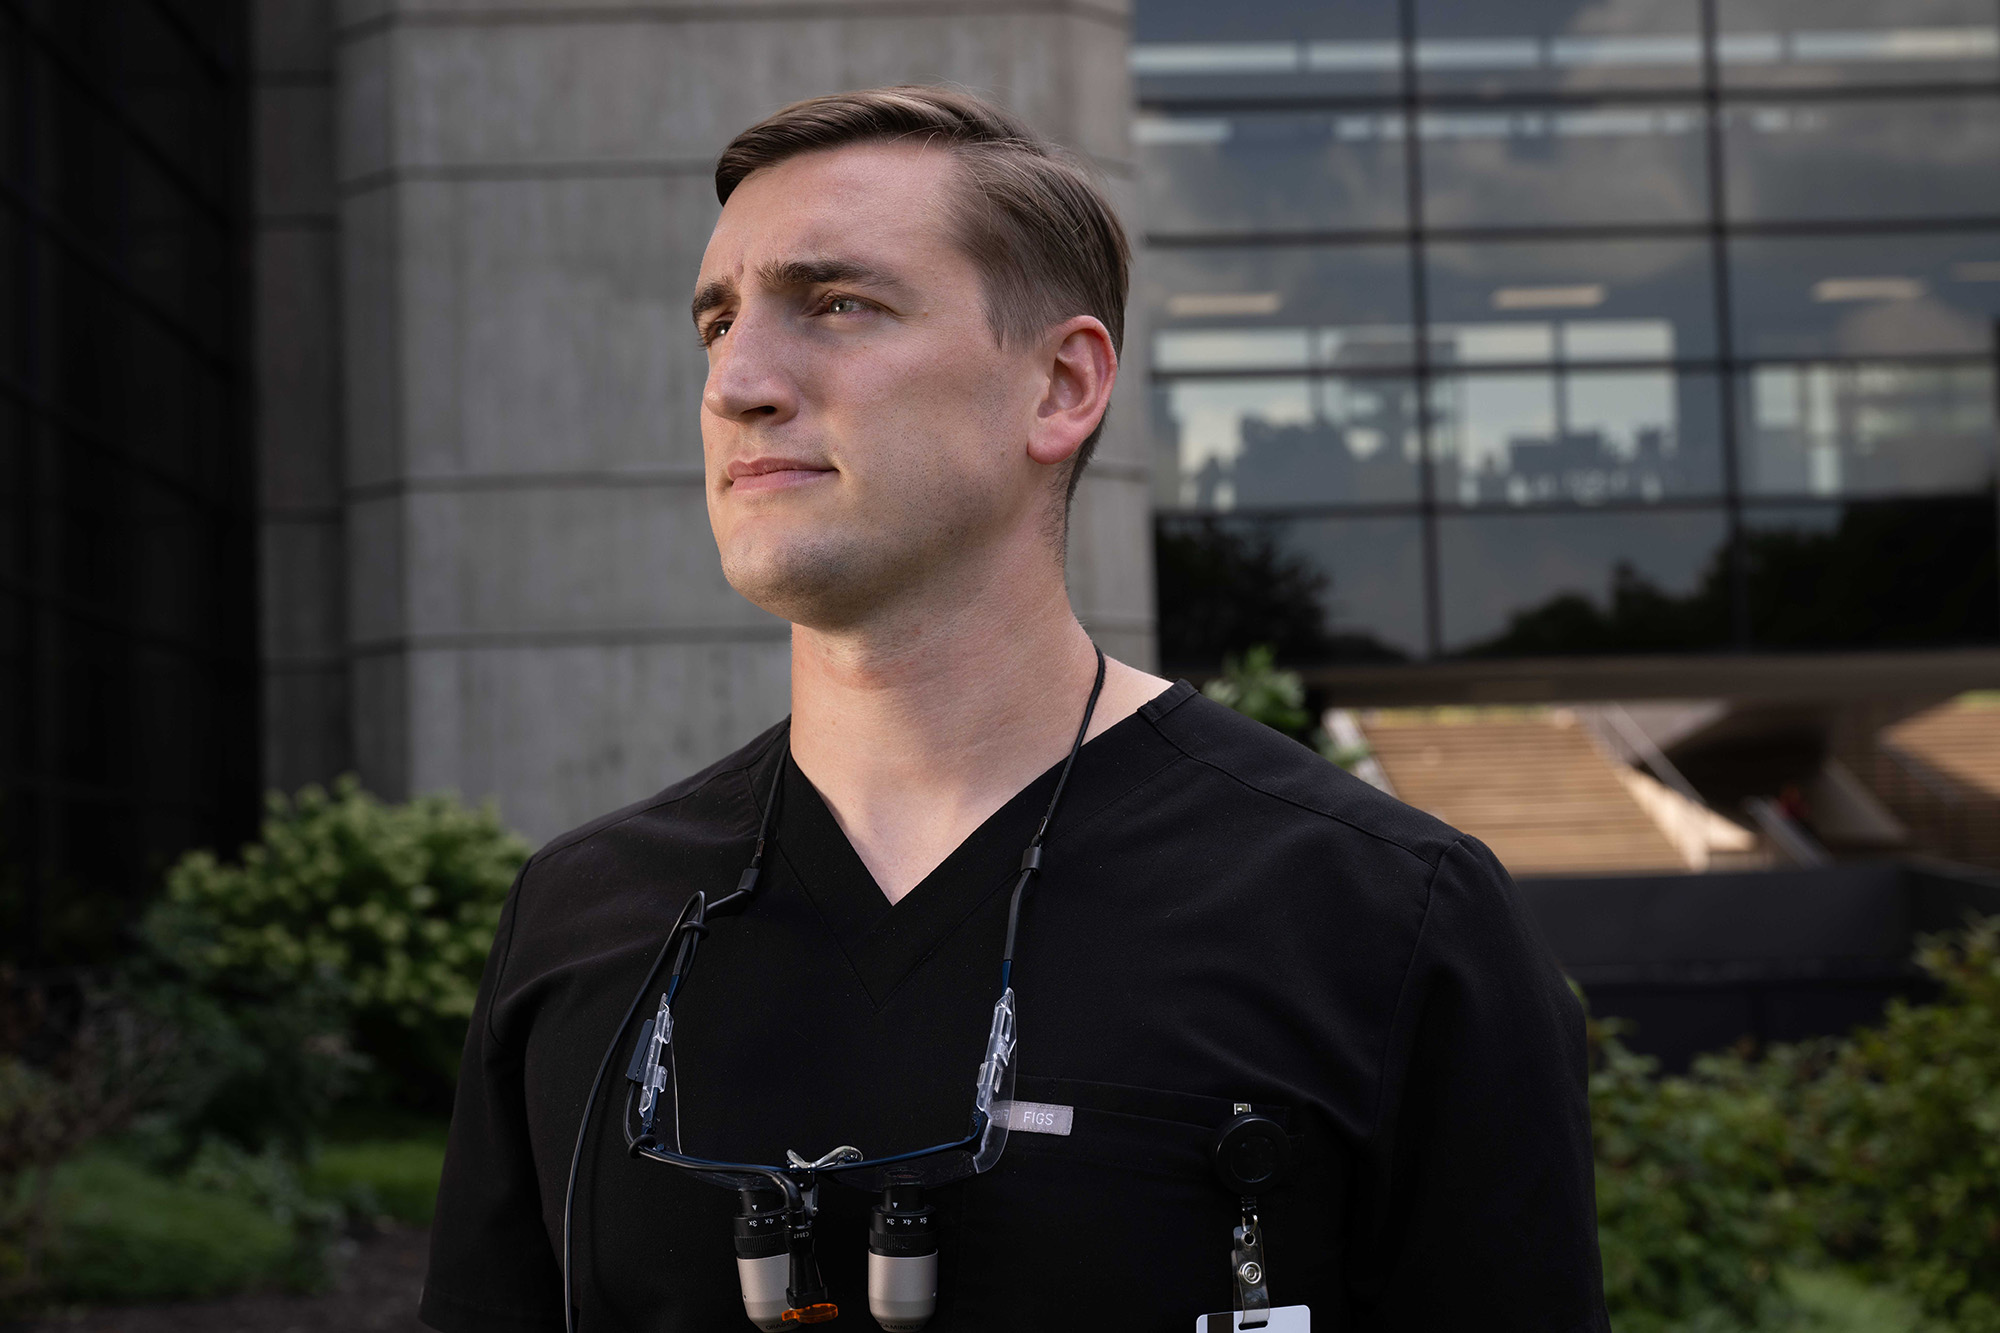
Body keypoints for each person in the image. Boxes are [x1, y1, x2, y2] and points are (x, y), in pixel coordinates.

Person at [420, 86, 1608, 1333]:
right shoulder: (585, 918)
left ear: (1060, 384)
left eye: (837, 304)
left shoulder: (1383, 916)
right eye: (717, 324)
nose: (739, 382)